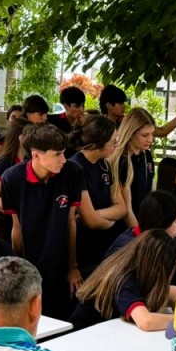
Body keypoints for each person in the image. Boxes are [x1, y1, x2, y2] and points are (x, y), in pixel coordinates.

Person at [0, 123, 84, 321]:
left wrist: (72, 266)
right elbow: (16, 227)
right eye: (57, 154)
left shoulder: (73, 172)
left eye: (64, 153)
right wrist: (17, 267)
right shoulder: (11, 178)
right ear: (36, 155)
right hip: (29, 262)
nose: (63, 159)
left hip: (60, 261)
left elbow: (71, 221)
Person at [70, 229, 176, 331]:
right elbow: (145, 321)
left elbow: (171, 292)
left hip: (98, 335)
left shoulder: (129, 266)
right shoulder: (124, 280)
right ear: (159, 268)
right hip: (79, 338)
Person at [69, 116, 127, 272]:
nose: (117, 145)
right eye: (113, 142)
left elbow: (122, 208)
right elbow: (91, 222)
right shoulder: (76, 168)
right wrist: (112, 222)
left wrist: (95, 213)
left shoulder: (104, 164)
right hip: (83, 250)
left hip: (104, 247)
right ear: (97, 144)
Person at [110, 108, 157, 228]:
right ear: (130, 134)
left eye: (152, 134)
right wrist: (141, 238)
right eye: (145, 135)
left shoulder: (146, 155)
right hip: (126, 229)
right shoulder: (121, 161)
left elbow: (152, 192)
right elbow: (127, 211)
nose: (150, 139)